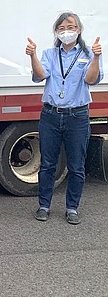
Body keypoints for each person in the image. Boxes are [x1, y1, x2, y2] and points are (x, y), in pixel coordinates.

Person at [26, 12, 103, 225]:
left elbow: (90, 79)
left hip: (77, 116)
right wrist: (32, 55)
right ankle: (44, 205)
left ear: (78, 30)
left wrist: (96, 57)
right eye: (61, 27)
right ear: (56, 32)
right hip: (50, 114)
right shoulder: (50, 54)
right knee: (48, 164)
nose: (66, 31)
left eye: (70, 26)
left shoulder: (88, 54)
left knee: (77, 165)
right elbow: (40, 75)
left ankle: (72, 208)